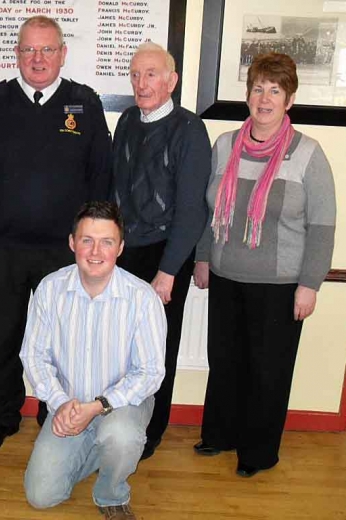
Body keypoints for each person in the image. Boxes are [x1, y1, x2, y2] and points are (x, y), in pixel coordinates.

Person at [0, 15, 112, 453]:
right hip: (1, 252)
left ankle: (53, 416)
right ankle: (4, 417)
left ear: (63, 53)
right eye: (29, 50)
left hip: (63, 255)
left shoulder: (84, 103)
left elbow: (100, 178)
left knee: (59, 346)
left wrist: (93, 247)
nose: (38, 58)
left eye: (47, 49)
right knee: (6, 340)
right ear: (17, 54)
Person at [192, 53, 336, 478]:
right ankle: (220, 434)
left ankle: (257, 453)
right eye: (258, 88)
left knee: (268, 372)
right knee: (225, 362)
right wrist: (203, 259)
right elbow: (209, 210)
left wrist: (309, 284)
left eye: (275, 90)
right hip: (224, 275)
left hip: (279, 285)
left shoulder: (308, 154)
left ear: (289, 99)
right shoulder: (224, 145)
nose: (265, 98)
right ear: (247, 93)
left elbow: (323, 225)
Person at [20, 201, 166, 520]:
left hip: (122, 406)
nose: (95, 251)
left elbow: (150, 373)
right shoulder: (49, 289)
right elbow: (34, 356)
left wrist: (97, 407)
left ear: (121, 247)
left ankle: (111, 491)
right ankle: (100, 450)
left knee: (121, 436)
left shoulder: (142, 298)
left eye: (107, 242)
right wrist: (60, 404)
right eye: (87, 240)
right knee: (41, 496)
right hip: (69, 405)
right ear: (73, 243)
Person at [112, 42, 212, 459]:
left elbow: (193, 211)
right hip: (124, 252)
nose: (141, 83)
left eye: (151, 74)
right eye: (135, 75)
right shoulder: (127, 122)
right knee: (119, 344)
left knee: (158, 346)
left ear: (171, 80)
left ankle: (151, 429)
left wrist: (169, 271)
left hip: (165, 255)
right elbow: (114, 189)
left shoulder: (189, 129)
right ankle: (119, 418)